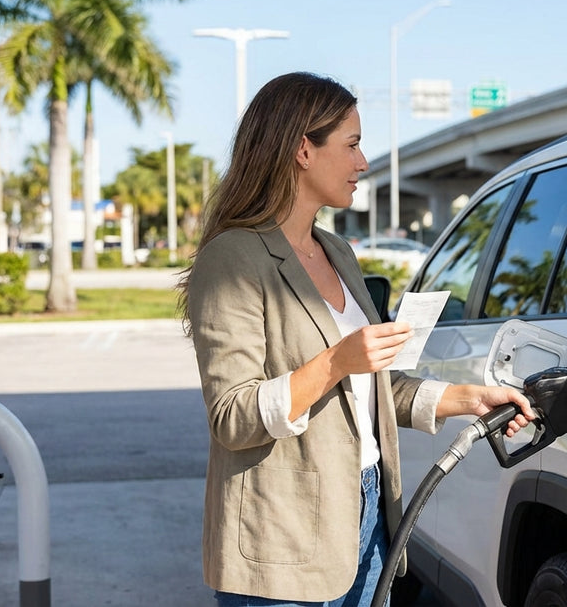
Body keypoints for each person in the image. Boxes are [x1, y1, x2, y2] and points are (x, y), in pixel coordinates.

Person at [178, 71, 535, 607]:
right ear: (303, 149)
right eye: (351, 145)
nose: (363, 162)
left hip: (369, 516)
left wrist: (469, 400)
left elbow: (371, 390)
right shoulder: (233, 259)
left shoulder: (337, 252)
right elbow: (233, 417)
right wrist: (336, 361)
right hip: (283, 536)